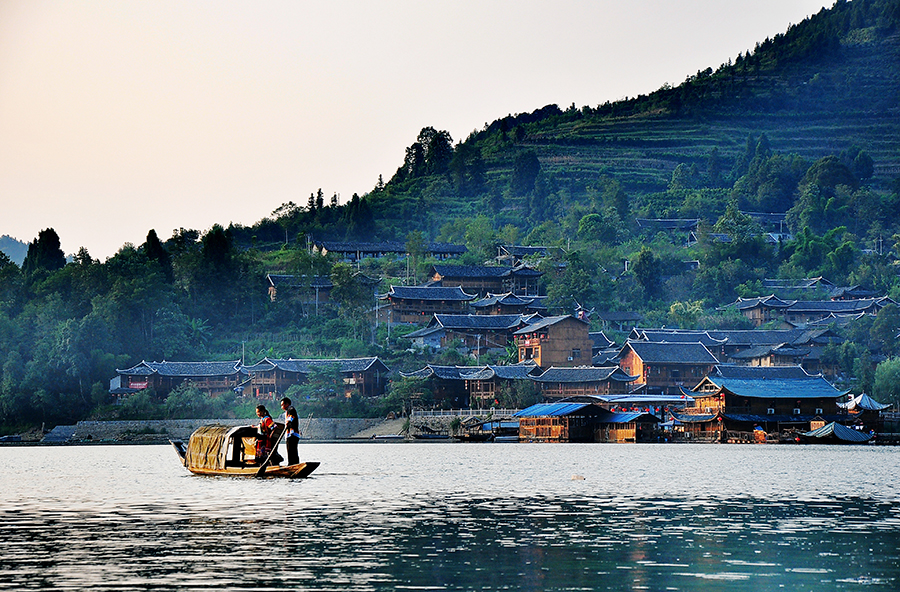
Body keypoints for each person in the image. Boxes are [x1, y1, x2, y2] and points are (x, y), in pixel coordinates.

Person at [281, 397, 301, 465]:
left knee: (292, 450)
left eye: (282, 405)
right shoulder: (288, 411)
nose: (282, 407)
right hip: (290, 434)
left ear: (287, 404)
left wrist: (288, 422)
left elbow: (290, 419)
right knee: (291, 451)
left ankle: (293, 464)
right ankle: (293, 464)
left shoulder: (291, 409)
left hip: (292, 434)